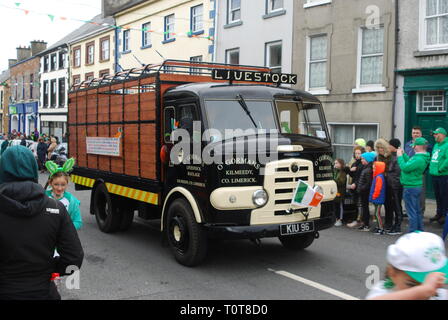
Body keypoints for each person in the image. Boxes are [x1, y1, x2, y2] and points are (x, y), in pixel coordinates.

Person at [0, 146, 83, 300]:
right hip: (42, 290)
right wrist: (48, 268)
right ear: (33, 170)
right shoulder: (56, 208)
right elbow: (74, 258)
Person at [366, 231, 448, 300]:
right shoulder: (384, 292)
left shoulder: (437, 292)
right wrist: (422, 290)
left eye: (434, 282)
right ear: (392, 273)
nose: (425, 295)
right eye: (412, 284)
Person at [397, 137, 430, 233]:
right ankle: (419, 232)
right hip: (415, 186)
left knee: (412, 213)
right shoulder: (420, 157)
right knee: (417, 211)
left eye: (414, 146)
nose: (413, 147)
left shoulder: (419, 158)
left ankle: (412, 234)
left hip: (411, 187)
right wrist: (403, 155)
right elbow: (410, 162)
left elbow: (405, 167)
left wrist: (399, 156)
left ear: (419, 146)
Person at [44, 159, 82, 230]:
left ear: (67, 184)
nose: (59, 188)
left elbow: (77, 221)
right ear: (50, 183)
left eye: (63, 185)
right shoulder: (43, 197)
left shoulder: (71, 200)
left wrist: (65, 230)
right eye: (56, 184)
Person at [405, 126, 432, 216]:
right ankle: (410, 212)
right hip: (409, 174)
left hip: (420, 173)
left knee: (420, 195)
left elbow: (429, 158)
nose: (415, 134)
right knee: (409, 193)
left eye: (417, 133)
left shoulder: (426, 145)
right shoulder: (407, 144)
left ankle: (420, 213)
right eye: (414, 133)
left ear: (421, 134)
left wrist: (424, 169)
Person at [429, 128, 448, 236]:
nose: (434, 136)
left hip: (443, 175)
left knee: (444, 195)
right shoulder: (436, 145)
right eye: (434, 134)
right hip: (434, 174)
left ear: (442, 134)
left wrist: (441, 168)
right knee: (437, 195)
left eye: (436, 134)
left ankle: (444, 215)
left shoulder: (447, 145)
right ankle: (439, 213)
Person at [385, 138, 403, 235]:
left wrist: (394, 185)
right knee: (394, 205)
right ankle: (394, 225)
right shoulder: (392, 156)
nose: (388, 147)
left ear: (393, 146)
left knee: (397, 206)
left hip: (396, 186)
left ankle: (398, 226)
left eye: (389, 145)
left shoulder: (398, 156)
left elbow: (397, 173)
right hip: (392, 185)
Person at [357, 152, 376, 231]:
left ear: (368, 160)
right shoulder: (366, 167)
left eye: (363, 159)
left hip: (365, 191)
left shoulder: (368, 169)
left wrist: (361, 188)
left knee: (365, 208)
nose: (361, 160)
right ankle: (364, 223)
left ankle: (366, 224)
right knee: (364, 208)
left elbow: (368, 183)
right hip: (363, 191)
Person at [347, 146, 365, 228]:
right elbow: (352, 175)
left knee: (360, 204)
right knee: (355, 204)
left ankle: (359, 220)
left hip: (360, 186)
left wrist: (356, 184)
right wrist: (351, 170)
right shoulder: (355, 162)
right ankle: (357, 219)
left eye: (359, 153)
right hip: (354, 185)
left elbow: (361, 176)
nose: (357, 155)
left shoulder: (363, 163)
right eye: (356, 153)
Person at [369, 161, 387, 235]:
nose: (373, 170)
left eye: (374, 168)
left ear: (379, 169)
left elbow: (378, 189)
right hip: (377, 198)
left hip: (378, 198)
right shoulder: (377, 176)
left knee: (377, 214)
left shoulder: (379, 177)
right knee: (376, 213)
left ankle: (381, 229)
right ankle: (378, 227)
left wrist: (374, 196)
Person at [333, 158, 347, 227]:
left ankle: (340, 220)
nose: (335, 165)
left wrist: (333, 180)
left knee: (339, 206)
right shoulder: (335, 171)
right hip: (335, 192)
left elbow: (341, 182)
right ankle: (336, 218)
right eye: (335, 163)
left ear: (341, 164)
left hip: (340, 192)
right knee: (336, 206)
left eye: (337, 163)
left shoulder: (343, 172)